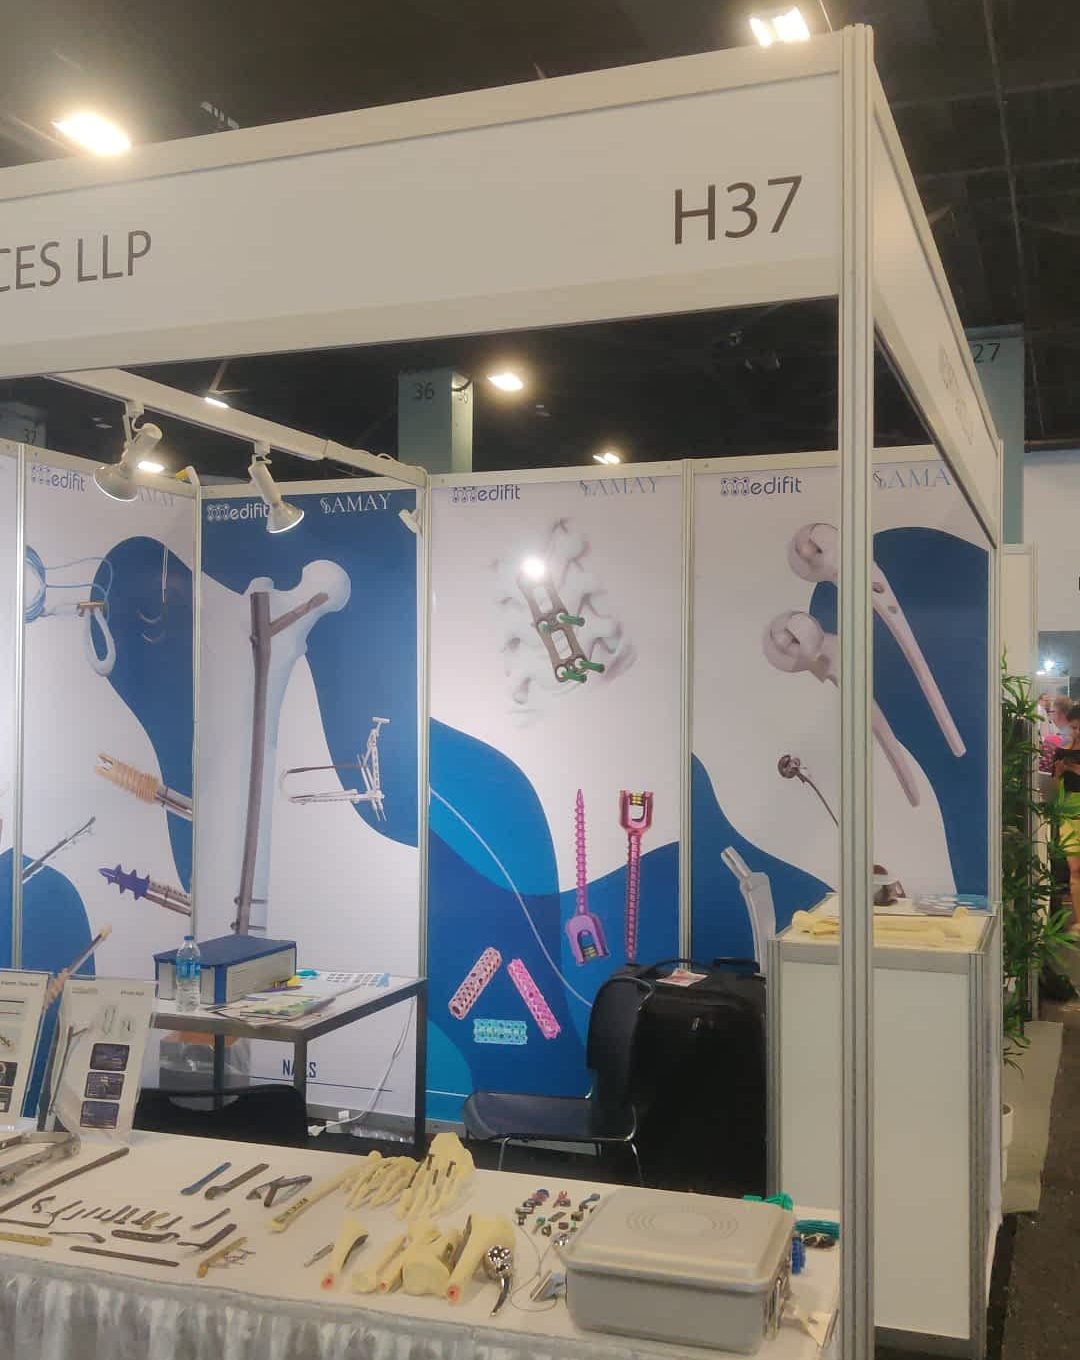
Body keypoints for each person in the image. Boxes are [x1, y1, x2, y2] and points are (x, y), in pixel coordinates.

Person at [1053, 703, 1080, 934]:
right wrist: (1061, 772)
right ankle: (1079, 920)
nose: (1077, 732)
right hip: (1068, 812)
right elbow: (1055, 788)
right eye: (1074, 727)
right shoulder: (1062, 751)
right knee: (1075, 869)